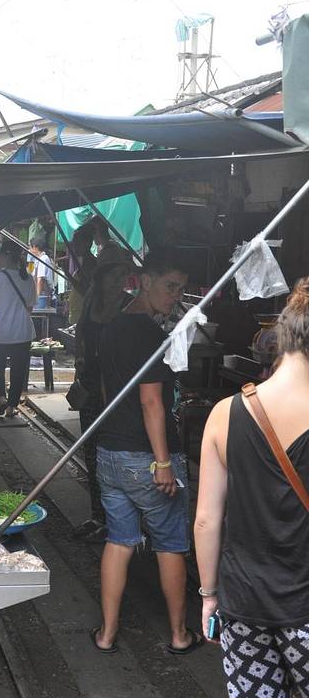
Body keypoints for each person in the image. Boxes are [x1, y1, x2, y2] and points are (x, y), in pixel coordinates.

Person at [194, 278, 309, 698]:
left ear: (280, 338)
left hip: (241, 607)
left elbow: (206, 520)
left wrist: (208, 596)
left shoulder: (224, 413)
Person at [93, 248, 198, 655]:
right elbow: (151, 402)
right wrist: (163, 462)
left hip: (110, 452)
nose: (176, 296)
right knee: (170, 544)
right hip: (146, 457)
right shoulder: (152, 337)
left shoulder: (112, 327)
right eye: (171, 286)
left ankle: (106, 634)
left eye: (181, 289)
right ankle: (179, 634)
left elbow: (109, 392)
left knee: (119, 541)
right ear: (146, 281)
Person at [73, 244, 134, 523]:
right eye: (113, 274)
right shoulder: (91, 301)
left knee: (115, 454)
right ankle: (98, 515)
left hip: (118, 391)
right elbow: (80, 333)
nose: (119, 280)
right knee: (92, 453)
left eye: (123, 274)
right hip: (90, 387)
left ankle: (116, 518)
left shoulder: (129, 306)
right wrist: (79, 360)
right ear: (101, 276)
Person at [0, 241, 37, 418]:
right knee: (18, 370)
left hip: (0, 330)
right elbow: (30, 306)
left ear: (7, 256)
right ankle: (11, 407)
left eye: (0, 254)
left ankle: (2, 398)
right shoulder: (28, 278)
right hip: (22, 331)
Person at [29, 237, 54, 304]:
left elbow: (40, 280)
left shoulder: (43, 259)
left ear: (35, 247)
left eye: (30, 247)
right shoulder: (36, 259)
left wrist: (37, 297)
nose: (29, 249)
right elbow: (30, 272)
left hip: (43, 295)